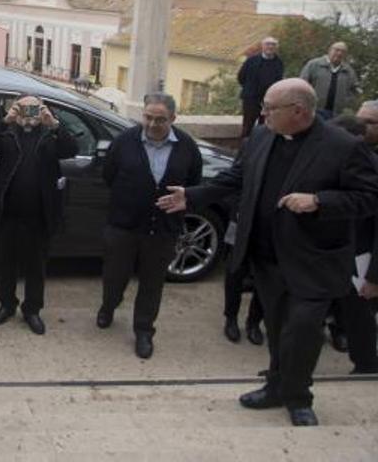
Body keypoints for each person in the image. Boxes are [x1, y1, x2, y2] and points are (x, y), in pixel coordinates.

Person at [158, 78, 378, 426]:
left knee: (303, 331)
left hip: (313, 260)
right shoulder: (261, 136)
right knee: (276, 328)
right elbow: (235, 178)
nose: (262, 113)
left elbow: (369, 197)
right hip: (265, 256)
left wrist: (319, 201)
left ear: (298, 111)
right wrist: (193, 196)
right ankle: (276, 387)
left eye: (269, 108)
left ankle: (299, 398)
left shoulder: (344, 146)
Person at [97, 93, 203, 359]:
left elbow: (193, 183)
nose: (153, 124)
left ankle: (144, 330)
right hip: (123, 227)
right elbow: (108, 175)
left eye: (160, 119)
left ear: (173, 119)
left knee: (152, 283)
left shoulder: (187, 146)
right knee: (114, 276)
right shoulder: (124, 142)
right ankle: (109, 305)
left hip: (162, 230)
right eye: (148, 117)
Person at [0, 94, 77, 336]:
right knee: (6, 265)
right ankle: (6, 305)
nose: (29, 114)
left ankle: (32, 310)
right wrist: (6, 120)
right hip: (9, 214)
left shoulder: (50, 135)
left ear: (43, 109)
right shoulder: (7, 133)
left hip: (39, 215)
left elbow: (71, 150)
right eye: (24, 109)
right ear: (15, 109)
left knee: (36, 266)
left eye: (35, 109)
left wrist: (53, 124)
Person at [328, 109, 378, 374]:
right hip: (330, 255)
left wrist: (374, 277)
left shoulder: (371, 170)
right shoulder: (331, 164)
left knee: (360, 319)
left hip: (361, 262)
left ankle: (366, 366)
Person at [222, 213, 266, 346]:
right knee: (234, 271)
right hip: (239, 219)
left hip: (269, 225)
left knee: (265, 275)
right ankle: (231, 319)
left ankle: (254, 322)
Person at [299, 42, 361, 119]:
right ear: (329, 50)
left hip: (336, 114)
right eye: (337, 50)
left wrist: (347, 103)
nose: (339, 53)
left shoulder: (348, 71)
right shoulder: (314, 65)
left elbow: (355, 89)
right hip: (313, 110)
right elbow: (302, 84)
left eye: (343, 51)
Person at [237, 37, 283, 137]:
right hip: (251, 100)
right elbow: (241, 77)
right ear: (262, 46)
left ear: (276, 47)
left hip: (269, 101)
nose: (270, 47)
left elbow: (279, 81)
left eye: (273, 45)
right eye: (268, 44)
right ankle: (245, 149)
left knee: (265, 128)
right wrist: (249, 89)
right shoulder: (251, 61)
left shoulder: (279, 63)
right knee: (247, 126)